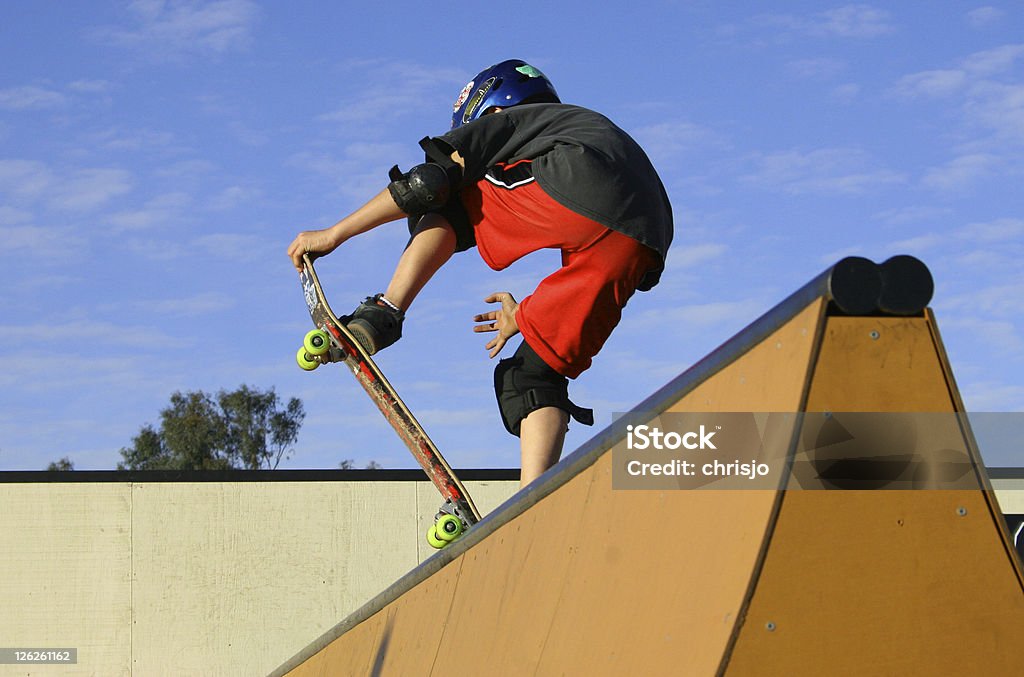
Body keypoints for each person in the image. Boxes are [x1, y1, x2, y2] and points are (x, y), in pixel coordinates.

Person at [289, 59, 673, 487]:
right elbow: (600, 222)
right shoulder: (575, 126)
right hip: (640, 241)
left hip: (580, 188)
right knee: (534, 375)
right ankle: (533, 501)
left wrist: (335, 234)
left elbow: (427, 180)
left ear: (491, 109)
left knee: (446, 195)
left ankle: (383, 314)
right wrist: (523, 315)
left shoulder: (510, 121)